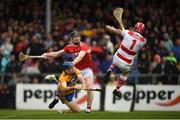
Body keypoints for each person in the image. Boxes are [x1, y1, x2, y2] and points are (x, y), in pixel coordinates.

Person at [42, 31, 94, 113]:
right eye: (75, 37)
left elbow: (80, 57)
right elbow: (56, 54)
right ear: (71, 39)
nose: (77, 38)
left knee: (89, 88)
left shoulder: (84, 45)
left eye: (78, 36)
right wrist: (47, 54)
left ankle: (88, 108)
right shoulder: (68, 47)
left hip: (86, 69)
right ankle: (56, 98)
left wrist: (72, 63)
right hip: (74, 68)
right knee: (62, 80)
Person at [105, 22, 146, 98]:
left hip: (117, 58)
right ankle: (116, 89)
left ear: (135, 27)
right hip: (126, 64)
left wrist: (110, 27)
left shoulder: (127, 32)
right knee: (125, 73)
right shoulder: (143, 41)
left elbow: (117, 31)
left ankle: (110, 69)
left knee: (115, 61)